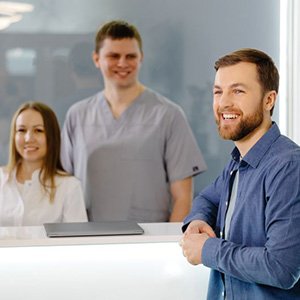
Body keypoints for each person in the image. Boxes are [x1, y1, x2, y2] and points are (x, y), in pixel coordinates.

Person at [180, 48, 300, 299]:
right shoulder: (238, 162)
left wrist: (208, 250)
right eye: (218, 91)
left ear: (269, 100)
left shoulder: (288, 167)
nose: (224, 102)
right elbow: (207, 198)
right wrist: (198, 221)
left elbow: (282, 267)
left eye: (238, 91)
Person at [61, 20, 206, 222]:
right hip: (88, 239)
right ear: (96, 59)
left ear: (141, 58)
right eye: (113, 56)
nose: (122, 63)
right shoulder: (77, 115)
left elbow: (183, 197)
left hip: (148, 241)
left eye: (130, 56)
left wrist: (169, 247)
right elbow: (63, 188)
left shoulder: (168, 115)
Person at [0, 101, 88, 226]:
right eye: (21, 130)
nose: (29, 138)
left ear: (52, 137)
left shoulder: (69, 187)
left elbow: (76, 243)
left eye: (38, 130)